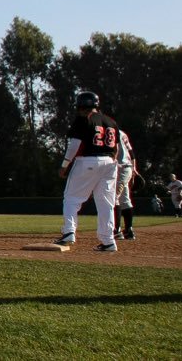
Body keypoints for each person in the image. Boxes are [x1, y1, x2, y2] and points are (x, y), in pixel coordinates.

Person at [53, 91, 121, 252]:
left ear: (81, 106)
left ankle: (69, 232)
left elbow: (74, 145)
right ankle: (108, 241)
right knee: (106, 204)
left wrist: (65, 164)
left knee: (71, 198)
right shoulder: (111, 121)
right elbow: (117, 149)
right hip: (111, 163)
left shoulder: (84, 119)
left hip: (88, 160)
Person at [112, 130, 138, 240]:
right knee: (125, 200)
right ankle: (128, 231)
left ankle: (116, 231)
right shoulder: (122, 133)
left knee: (114, 198)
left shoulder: (112, 131)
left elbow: (115, 150)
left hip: (121, 168)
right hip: (127, 168)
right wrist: (134, 169)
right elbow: (132, 154)